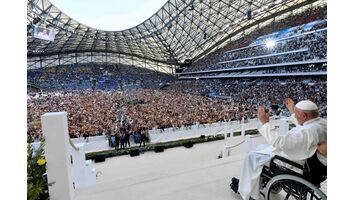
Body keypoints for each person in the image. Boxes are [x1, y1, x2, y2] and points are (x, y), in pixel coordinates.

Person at [233, 98, 327, 200]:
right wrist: (292, 110)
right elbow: (304, 125)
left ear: (304, 116)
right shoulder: (321, 123)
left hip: (295, 164)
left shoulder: (308, 131)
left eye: (296, 114)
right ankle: (248, 184)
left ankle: (249, 193)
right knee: (261, 148)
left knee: (252, 156)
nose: (294, 116)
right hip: (311, 165)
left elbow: (278, 142)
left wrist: (265, 123)